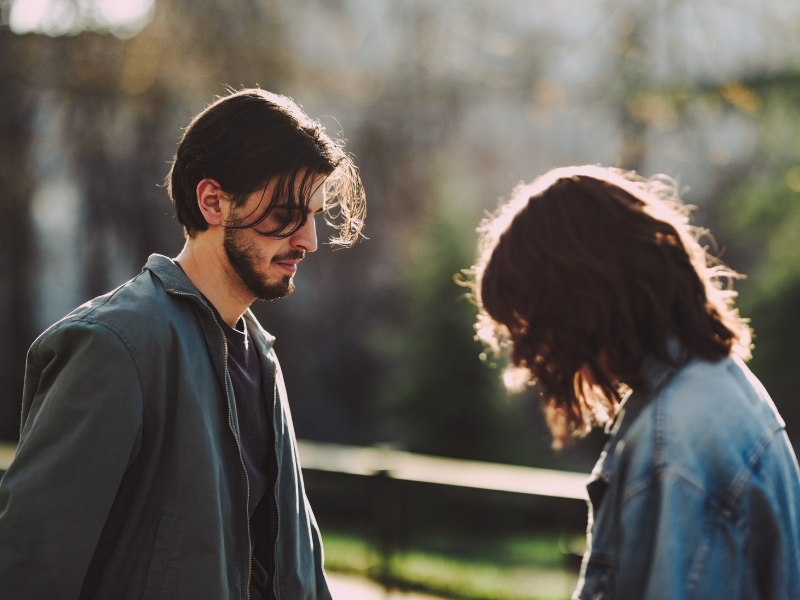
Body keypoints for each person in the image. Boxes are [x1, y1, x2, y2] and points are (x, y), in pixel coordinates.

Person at [0, 89, 365, 600]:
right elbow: (28, 568)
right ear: (212, 200)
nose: (308, 240)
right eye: (286, 212)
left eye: (312, 214)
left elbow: (293, 566)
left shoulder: (262, 356)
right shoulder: (114, 346)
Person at [471, 165, 800, 599]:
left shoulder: (674, 443)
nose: (533, 356)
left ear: (582, 301)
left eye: (533, 324)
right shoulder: (721, 388)